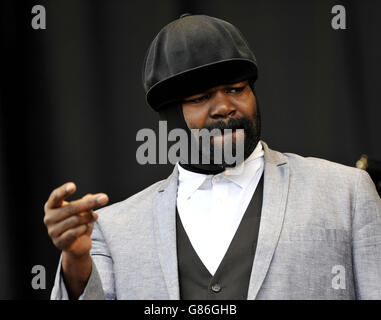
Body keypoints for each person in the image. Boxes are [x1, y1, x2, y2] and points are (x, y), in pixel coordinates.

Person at [44, 14, 381, 300]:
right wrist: (75, 261)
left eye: (237, 89)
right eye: (201, 97)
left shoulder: (346, 193)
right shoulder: (114, 230)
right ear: (169, 116)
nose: (224, 107)